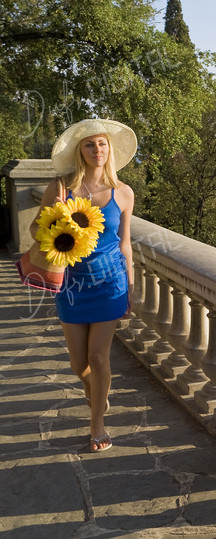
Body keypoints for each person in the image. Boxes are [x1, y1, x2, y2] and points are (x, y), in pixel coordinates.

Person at [30, 119, 137, 453]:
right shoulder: (61, 188)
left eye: (102, 144)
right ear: (80, 150)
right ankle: (96, 395)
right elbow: (36, 228)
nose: (97, 150)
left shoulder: (123, 192)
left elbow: (125, 244)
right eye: (90, 145)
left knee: (99, 355)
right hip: (71, 285)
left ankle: (97, 422)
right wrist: (59, 227)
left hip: (110, 284)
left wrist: (131, 286)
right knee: (79, 363)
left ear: (111, 150)